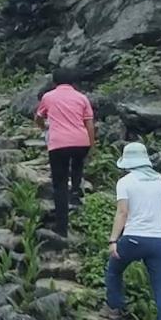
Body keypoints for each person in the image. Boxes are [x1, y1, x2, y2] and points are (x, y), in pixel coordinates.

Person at [103, 142, 161, 320]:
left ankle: (115, 308)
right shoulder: (159, 180)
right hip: (158, 241)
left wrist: (113, 240)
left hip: (134, 238)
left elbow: (122, 212)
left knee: (114, 269)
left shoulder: (125, 182)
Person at [33, 68, 96, 236]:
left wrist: (44, 127)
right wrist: (91, 145)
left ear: (54, 82)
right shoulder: (82, 98)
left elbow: (38, 118)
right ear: (74, 83)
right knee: (77, 165)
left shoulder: (48, 97)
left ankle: (61, 227)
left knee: (59, 184)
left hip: (59, 143)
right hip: (80, 141)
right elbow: (89, 124)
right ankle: (75, 194)